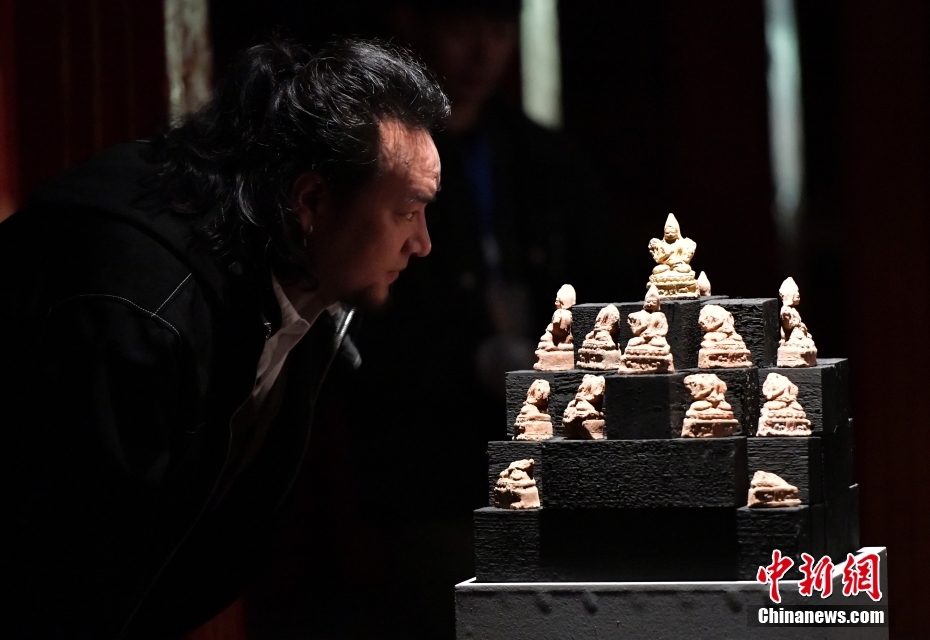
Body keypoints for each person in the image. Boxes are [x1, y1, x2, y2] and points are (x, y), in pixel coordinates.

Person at [0, 38, 448, 638]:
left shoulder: (308, 294)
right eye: (407, 212)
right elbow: (65, 571)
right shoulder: (139, 313)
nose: (423, 243)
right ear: (311, 201)